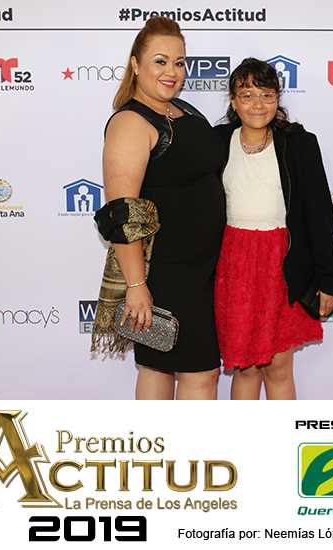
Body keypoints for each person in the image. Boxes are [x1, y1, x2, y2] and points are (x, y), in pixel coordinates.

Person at [91, 17, 225, 400]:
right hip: (168, 273)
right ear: (136, 64)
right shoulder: (131, 122)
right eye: (161, 61)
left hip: (204, 269)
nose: (172, 71)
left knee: (158, 365)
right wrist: (137, 287)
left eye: (179, 62)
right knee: (202, 373)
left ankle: (156, 438)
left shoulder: (183, 110)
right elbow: (123, 216)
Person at [214, 58, 333, 400]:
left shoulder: (299, 144)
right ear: (233, 100)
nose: (257, 104)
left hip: (283, 265)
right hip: (234, 265)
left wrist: (330, 279)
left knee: (278, 367)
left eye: (267, 95)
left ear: (278, 98)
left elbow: (320, 215)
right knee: (244, 366)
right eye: (247, 95)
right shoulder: (216, 142)